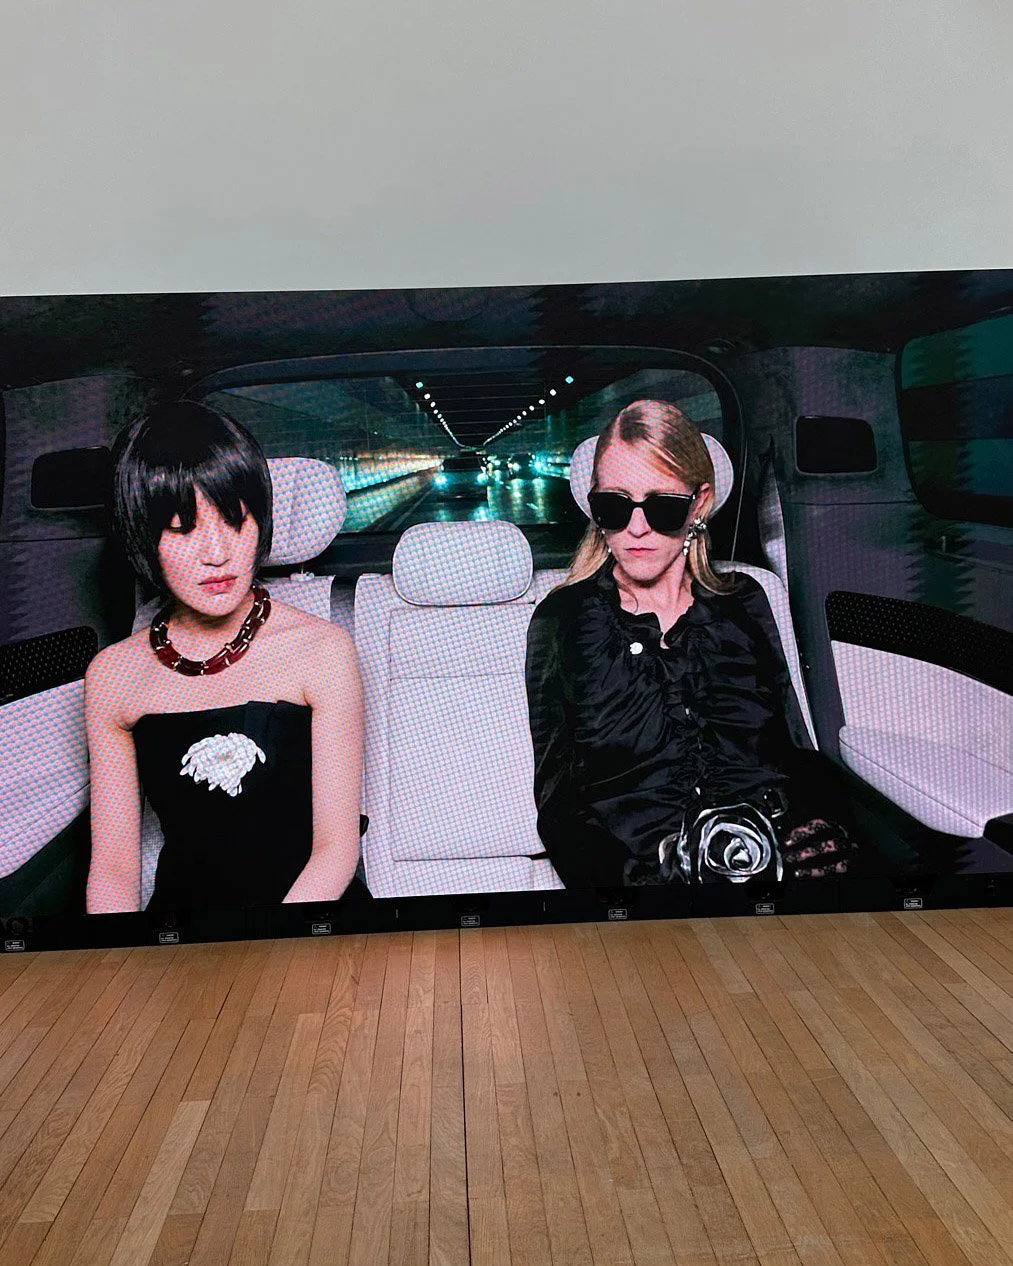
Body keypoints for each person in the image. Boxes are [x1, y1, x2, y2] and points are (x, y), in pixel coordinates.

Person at [525, 399, 857, 889]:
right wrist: (640, 888)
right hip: (644, 887)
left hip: (777, 869)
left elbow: (794, 748)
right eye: (614, 505)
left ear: (698, 504)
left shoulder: (747, 600)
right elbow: (559, 804)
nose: (637, 528)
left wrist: (820, 831)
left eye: (663, 507)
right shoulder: (564, 618)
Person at [85, 401, 365, 914]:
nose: (217, 553)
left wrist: (271, 951)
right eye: (183, 528)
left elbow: (335, 850)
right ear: (142, 536)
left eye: (237, 520)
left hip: (311, 919)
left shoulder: (322, 649)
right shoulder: (112, 675)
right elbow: (113, 868)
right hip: (182, 935)